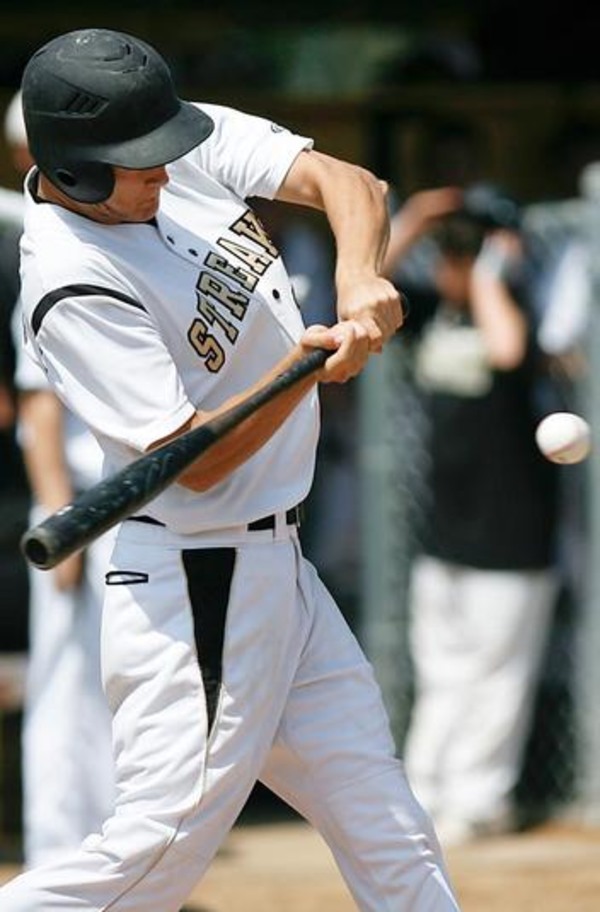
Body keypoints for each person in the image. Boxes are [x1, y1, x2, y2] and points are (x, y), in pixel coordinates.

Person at [1, 28, 460, 912]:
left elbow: (350, 184)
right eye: (138, 165)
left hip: (279, 564)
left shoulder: (165, 138)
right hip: (197, 579)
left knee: (386, 824)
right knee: (156, 854)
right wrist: (305, 368)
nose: (165, 172)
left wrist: (358, 278)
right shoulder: (71, 279)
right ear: (75, 171)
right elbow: (197, 463)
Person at [383, 184, 560, 846]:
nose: (446, 267)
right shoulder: (435, 313)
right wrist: (416, 217)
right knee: (442, 672)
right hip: (445, 532)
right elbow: (373, 283)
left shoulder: (520, 312)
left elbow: (508, 352)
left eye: (461, 255)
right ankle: (427, 794)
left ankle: (479, 799)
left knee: (497, 678)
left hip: (512, 536)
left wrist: (490, 274)